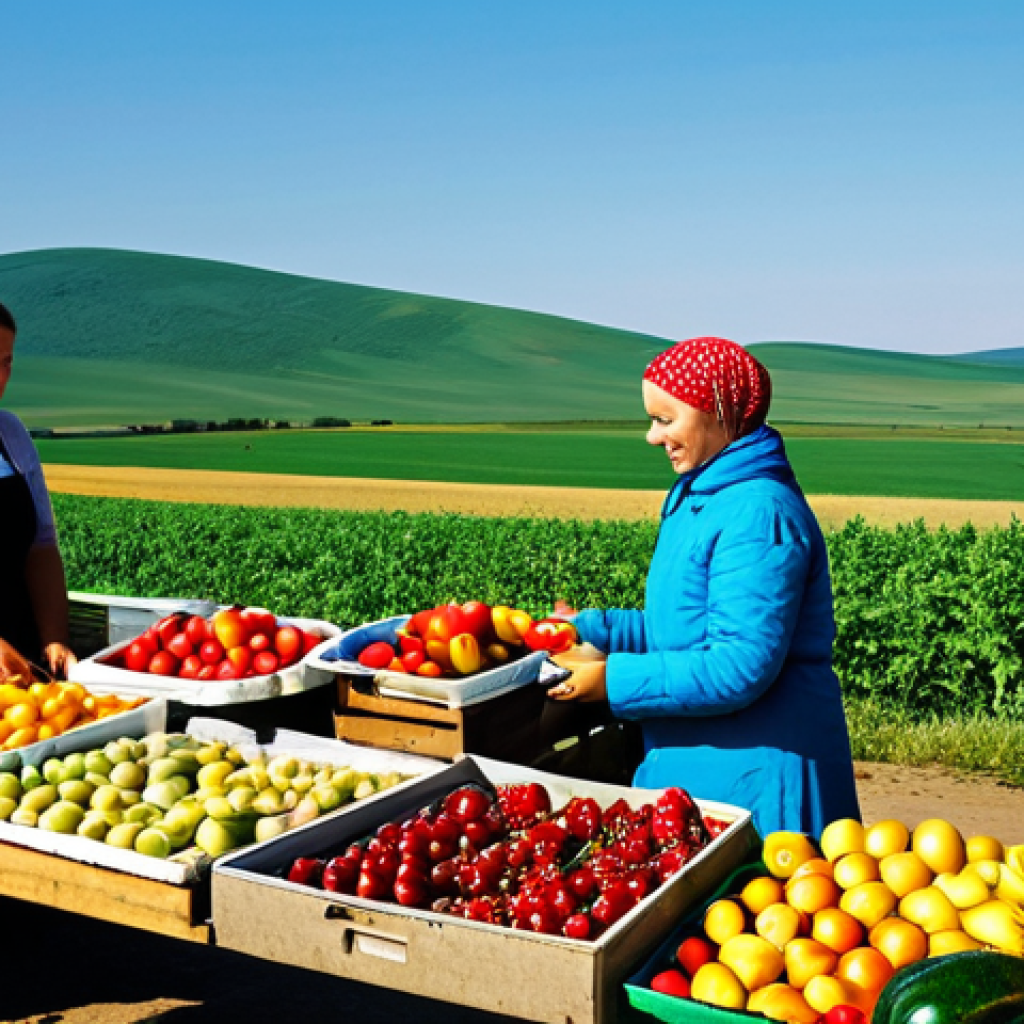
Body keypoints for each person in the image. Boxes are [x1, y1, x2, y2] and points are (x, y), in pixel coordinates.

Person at [547, 336, 860, 838]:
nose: (652, 436)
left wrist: (613, 680)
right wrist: (591, 627)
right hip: (708, 764)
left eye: (665, 419)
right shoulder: (702, 498)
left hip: (760, 777)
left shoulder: (758, 513)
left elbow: (737, 665)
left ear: (718, 413)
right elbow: (687, 629)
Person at [0, 301, 77, 678]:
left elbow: (41, 546)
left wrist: (54, 639)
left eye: (5, 362)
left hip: (22, 669)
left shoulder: (11, 435)